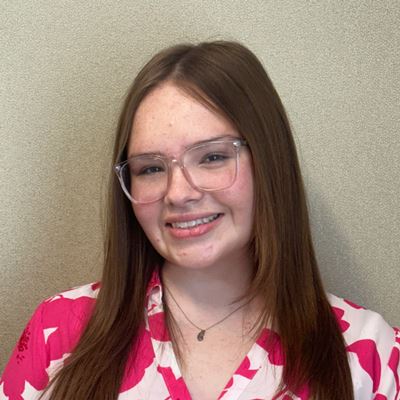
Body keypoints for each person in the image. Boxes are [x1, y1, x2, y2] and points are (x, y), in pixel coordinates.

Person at [1, 40, 399, 400]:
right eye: (150, 168)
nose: (178, 193)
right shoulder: (60, 331)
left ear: (269, 162)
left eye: (212, 157)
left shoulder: (371, 353)